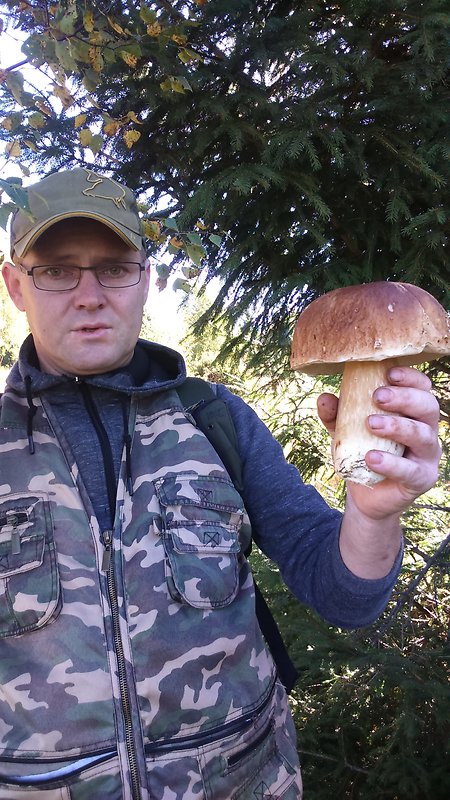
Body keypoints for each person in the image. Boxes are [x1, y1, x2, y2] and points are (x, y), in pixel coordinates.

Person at [0, 168, 442, 800]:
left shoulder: (216, 421)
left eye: (115, 267)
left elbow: (344, 598)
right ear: (16, 284)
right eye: (57, 269)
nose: (90, 294)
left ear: (145, 278)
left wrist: (374, 516)